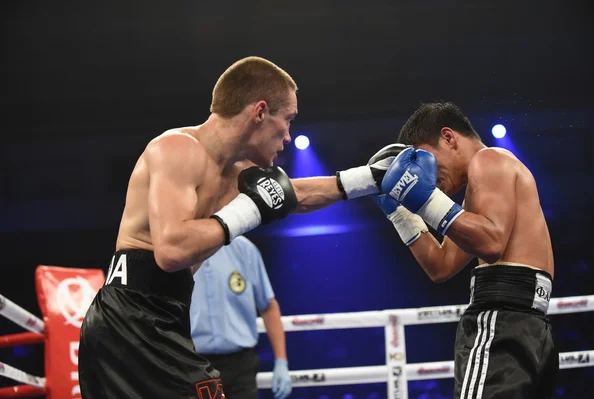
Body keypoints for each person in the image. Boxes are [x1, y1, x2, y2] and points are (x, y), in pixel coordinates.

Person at [78, 55, 403, 398]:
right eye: (288, 120)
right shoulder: (176, 149)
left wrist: (369, 179)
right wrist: (247, 211)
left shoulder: (234, 173)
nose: (289, 137)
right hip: (130, 319)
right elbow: (172, 250)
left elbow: (296, 194)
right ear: (260, 112)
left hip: (160, 316)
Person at [376, 101, 557, 398]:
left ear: (448, 138)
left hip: (501, 322)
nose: (427, 176)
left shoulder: (490, 159)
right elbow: (441, 265)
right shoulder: (475, 199)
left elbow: (491, 244)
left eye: (428, 160)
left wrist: (424, 199)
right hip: (532, 327)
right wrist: (400, 214)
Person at [190, 235, 291, 399]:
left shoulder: (244, 249)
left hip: (241, 365)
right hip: (193, 364)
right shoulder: (178, 250)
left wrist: (281, 361)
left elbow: (268, 306)